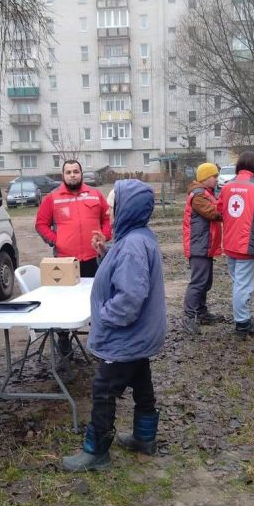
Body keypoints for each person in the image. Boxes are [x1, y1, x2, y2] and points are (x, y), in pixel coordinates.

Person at [62, 180, 166, 472]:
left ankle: (96, 451)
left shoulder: (132, 244)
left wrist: (104, 317)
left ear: (126, 207)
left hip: (125, 334)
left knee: (104, 388)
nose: (108, 211)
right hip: (139, 334)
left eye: (112, 206)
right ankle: (144, 438)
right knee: (141, 380)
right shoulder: (136, 237)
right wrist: (105, 251)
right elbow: (127, 273)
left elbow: (130, 297)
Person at [35, 159, 112, 357]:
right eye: (68, 172)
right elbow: (41, 224)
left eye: (75, 171)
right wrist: (55, 240)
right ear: (63, 176)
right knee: (62, 303)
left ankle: (99, 337)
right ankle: (63, 339)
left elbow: (107, 218)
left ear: (81, 174)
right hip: (65, 261)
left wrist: (105, 235)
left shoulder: (95, 195)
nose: (72, 175)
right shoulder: (52, 198)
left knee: (97, 298)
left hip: (93, 258)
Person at [217, 151, 254, 337]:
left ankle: (242, 317)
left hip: (230, 242)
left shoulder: (227, 186)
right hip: (247, 243)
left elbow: (219, 210)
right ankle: (242, 322)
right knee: (243, 285)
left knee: (237, 283)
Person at [182, 162, 223, 335]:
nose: (216, 179)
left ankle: (201, 311)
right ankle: (189, 316)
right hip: (198, 245)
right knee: (198, 282)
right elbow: (213, 213)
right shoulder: (198, 195)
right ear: (205, 178)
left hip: (205, 245)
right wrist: (229, 211)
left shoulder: (206, 193)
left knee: (206, 281)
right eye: (214, 176)